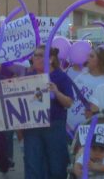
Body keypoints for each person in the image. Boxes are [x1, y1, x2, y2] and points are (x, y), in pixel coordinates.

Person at [23, 46, 74, 179]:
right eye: (34, 55)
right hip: (32, 126)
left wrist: (56, 92)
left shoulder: (61, 77)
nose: (35, 58)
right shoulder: (28, 77)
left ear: (50, 59)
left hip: (54, 124)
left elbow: (68, 103)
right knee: (32, 164)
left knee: (57, 165)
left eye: (39, 55)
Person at [67, 47, 104, 132]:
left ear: (100, 61)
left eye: (91, 56)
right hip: (73, 124)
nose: (88, 58)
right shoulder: (81, 76)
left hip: (96, 126)